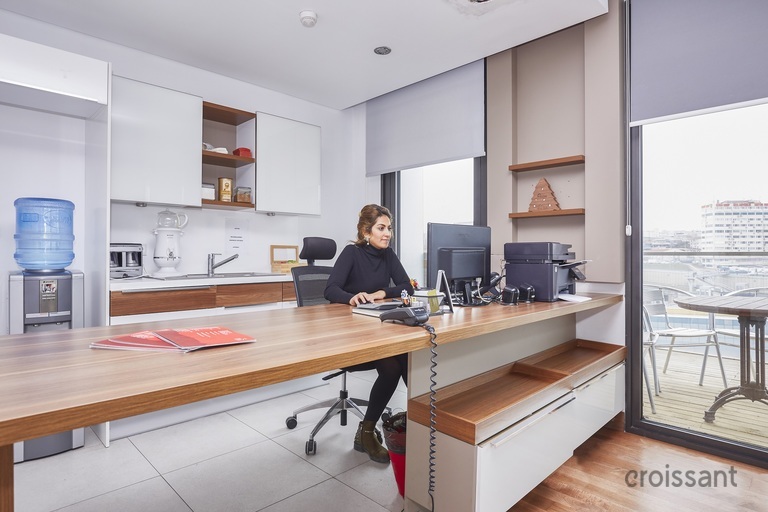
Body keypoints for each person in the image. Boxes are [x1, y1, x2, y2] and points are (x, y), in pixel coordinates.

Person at [324, 204, 414, 463]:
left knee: (409, 358)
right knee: (391, 367)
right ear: (366, 231)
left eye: (389, 228)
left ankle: (425, 421)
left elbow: (406, 286)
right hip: (349, 339)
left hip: (377, 333)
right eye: (381, 228)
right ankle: (366, 432)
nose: (388, 234)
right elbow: (330, 289)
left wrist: (382, 293)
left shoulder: (388, 255)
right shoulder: (352, 253)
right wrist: (352, 297)